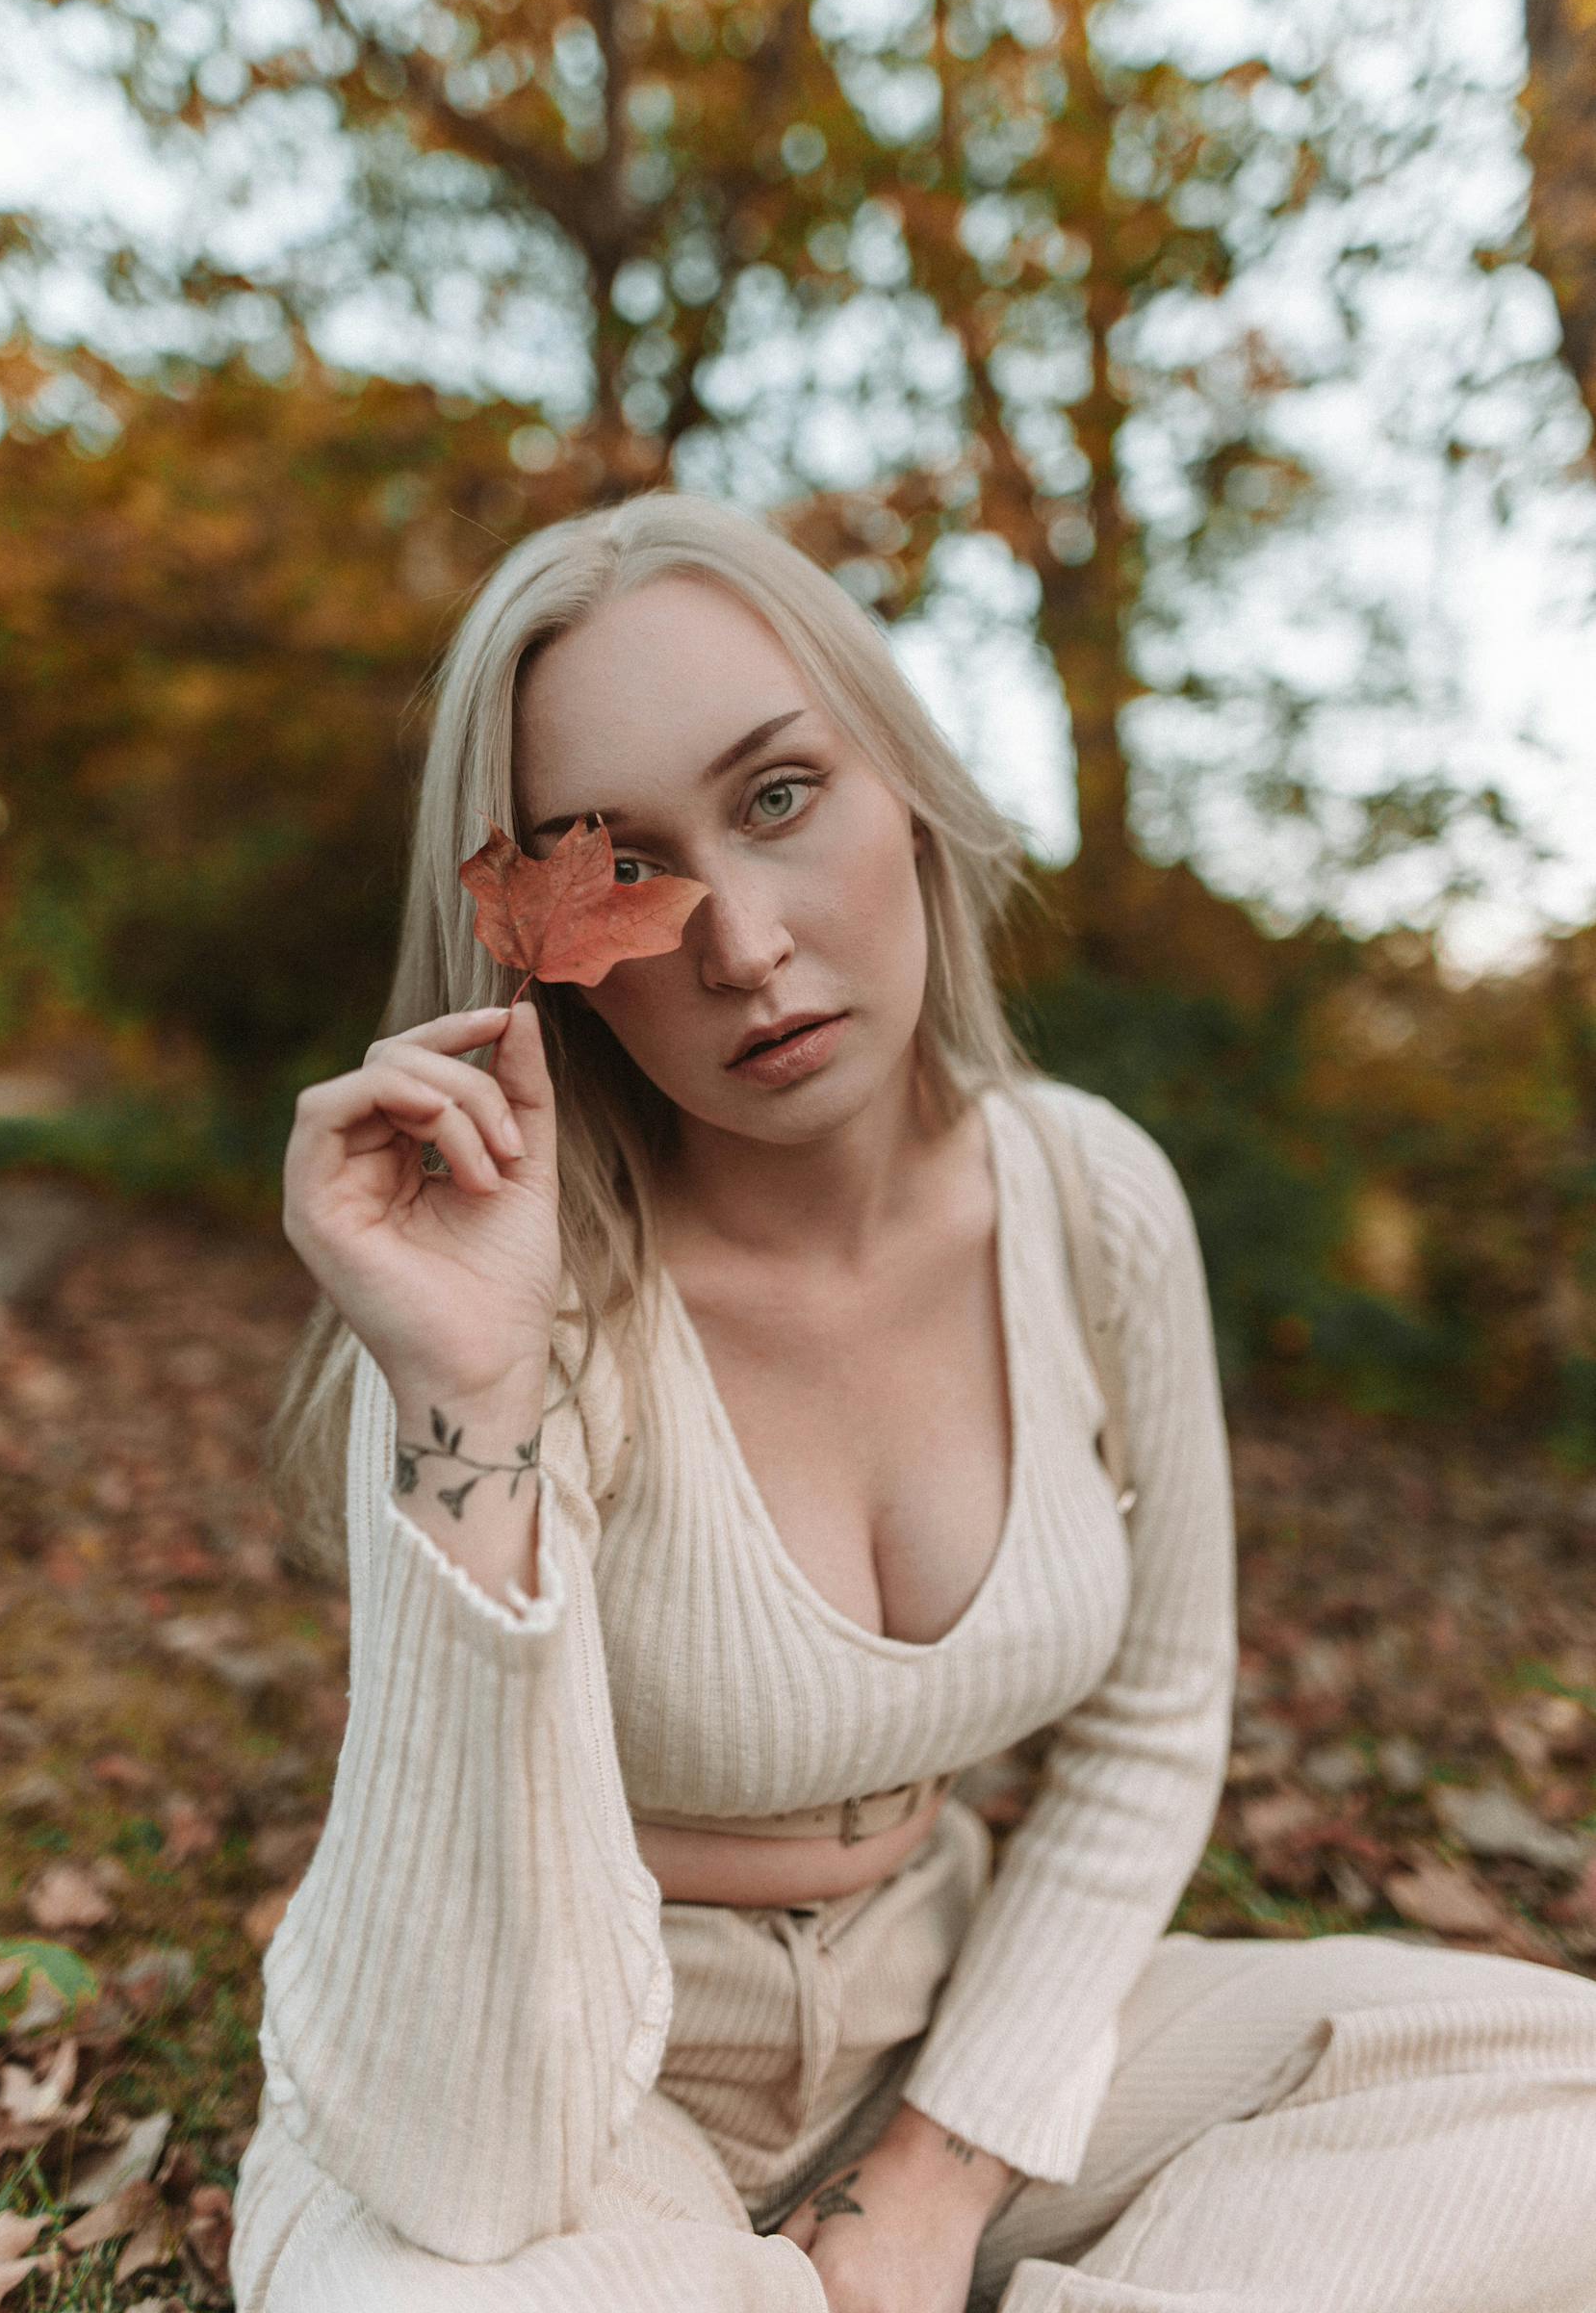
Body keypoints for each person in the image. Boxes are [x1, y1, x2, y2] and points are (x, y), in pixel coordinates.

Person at [229, 491, 1596, 2313]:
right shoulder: (492, 1304)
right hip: (574, 2075)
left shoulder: (1088, 1194)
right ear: (533, 950)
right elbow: (464, 2147)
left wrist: (936, 2178)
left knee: (1558, 2099)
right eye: (619, 868)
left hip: (935, 2014)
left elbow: (1147, 1723)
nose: (741, 947)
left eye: (779, 797)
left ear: (909, 783)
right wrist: (467, 1389)